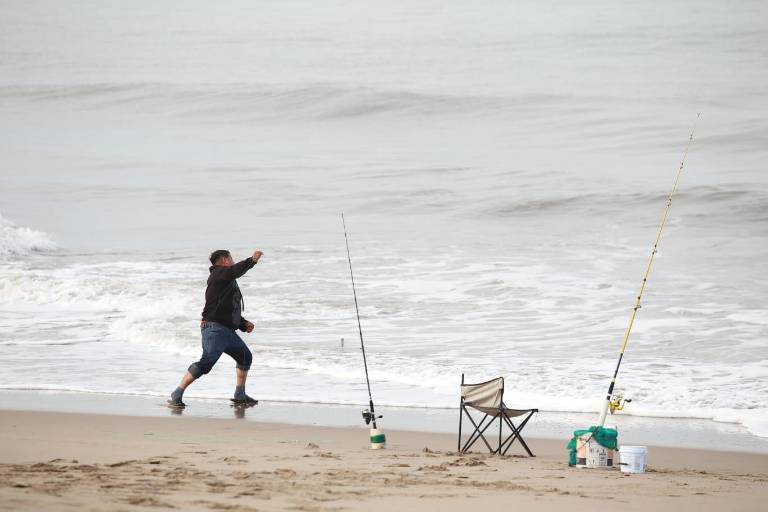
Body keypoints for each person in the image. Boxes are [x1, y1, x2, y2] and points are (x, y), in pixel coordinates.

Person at [168, 249, 263, 408]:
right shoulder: (219, 273)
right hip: (214, 330)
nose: (232, 261)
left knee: (245, 357)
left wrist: (243, 323)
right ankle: (177, 393)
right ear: (225, 260)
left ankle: (240, 395)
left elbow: (226, 308)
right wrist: (252, 260)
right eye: (231, 258)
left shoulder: (225, 279)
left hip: (226, 331)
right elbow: (235, 270)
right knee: (207, 362)